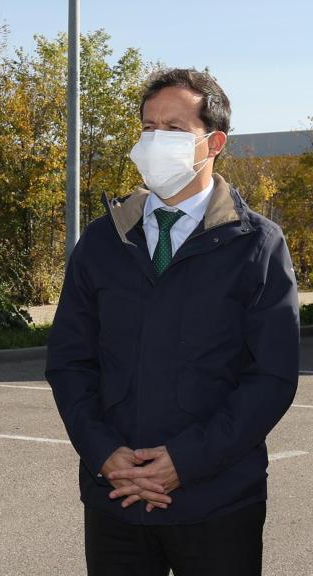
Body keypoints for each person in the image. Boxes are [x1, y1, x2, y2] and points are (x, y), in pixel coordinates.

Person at [46, 68, 299, 576]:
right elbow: (70, 362)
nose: (155, 141)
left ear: (214, 142)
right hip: (115, 497)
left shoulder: (258, 244)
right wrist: (103, 453)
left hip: (219, 501)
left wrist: (186, 462)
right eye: (148, 127)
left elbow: (271, 377)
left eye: (174, 129)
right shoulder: (102, 241)